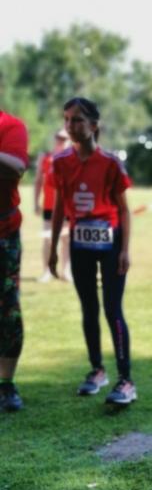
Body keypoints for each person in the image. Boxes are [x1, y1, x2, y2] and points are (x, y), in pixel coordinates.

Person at [49, 97, 136, 404]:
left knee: (112, 308)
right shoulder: (60, 163)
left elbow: (123, 209)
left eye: (77, 119)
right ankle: (97, 370)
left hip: (111, 243)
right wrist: (52, 250)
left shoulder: (110, 163)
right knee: (88, 308)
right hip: (79, 243)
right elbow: (60, 207)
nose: (70, 126)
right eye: (67, 119)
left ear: (94, 125)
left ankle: (126, 380)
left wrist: (125, 249)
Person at [0, 109, 28, 412]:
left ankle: (5, 384)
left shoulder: (10, 126)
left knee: (7, 310)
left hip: (3, 234)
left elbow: (16, 167)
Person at [34, 129, 70, 282]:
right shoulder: (46, 157)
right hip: (49, 206)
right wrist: (36, 202)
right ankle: (47, 271)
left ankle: (66, 271)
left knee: (66, 239)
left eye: (64, 138)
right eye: (58, 137)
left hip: (67, 207)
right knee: (48, 239)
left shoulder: (73, 158)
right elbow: (38, 181)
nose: (60, 140)